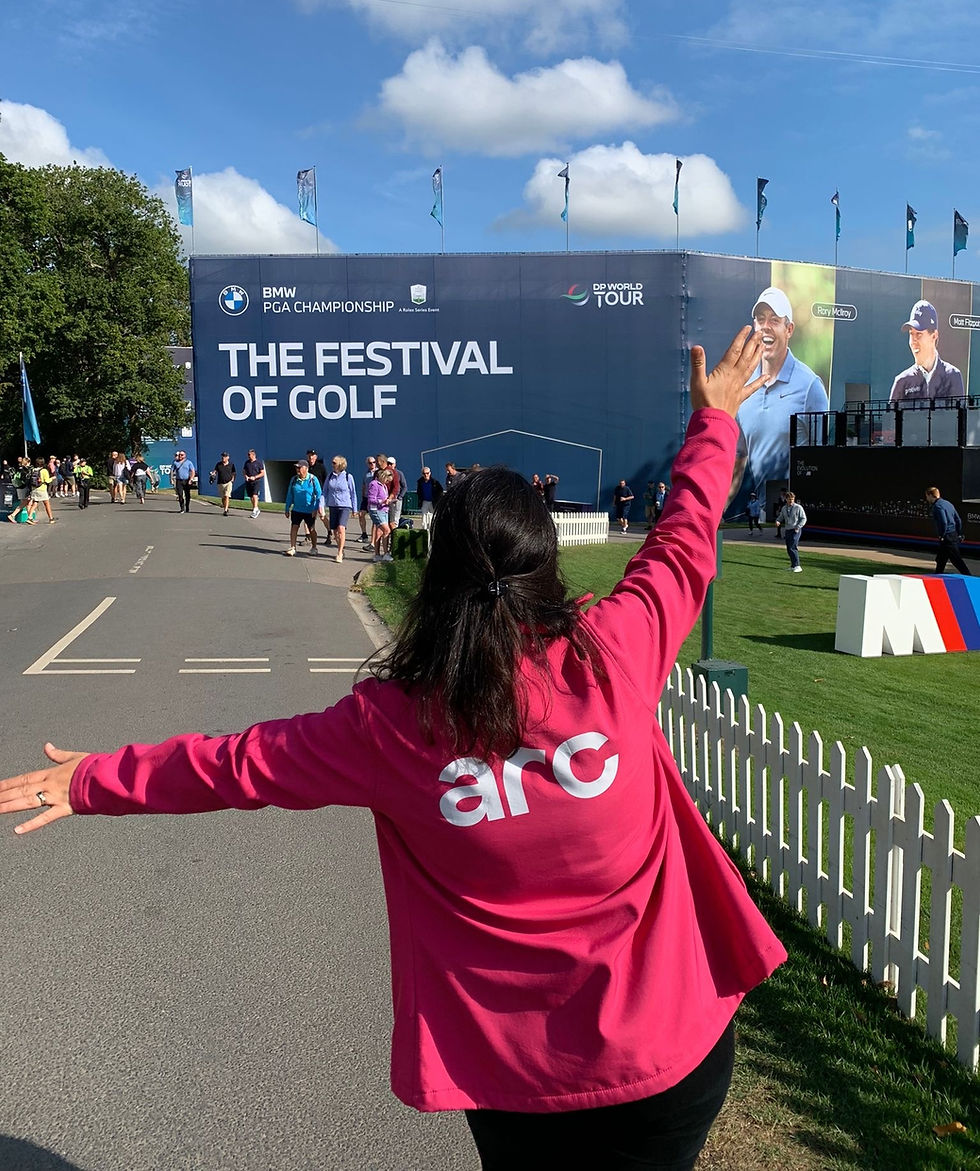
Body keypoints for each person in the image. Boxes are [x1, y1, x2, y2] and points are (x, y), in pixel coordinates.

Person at [0, 329, 784, 1171]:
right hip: (673, 1053)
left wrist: (92, 780)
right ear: (548, 566)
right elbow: (686, 533)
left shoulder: (390, 725)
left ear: (439, 574)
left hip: (514, 1077)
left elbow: (234, 765)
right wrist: (716, 418)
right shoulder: (617, 649)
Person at [732, 287, 829, 501]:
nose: (766, 327)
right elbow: (739, 457)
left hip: (796, 510)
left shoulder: (810, 386)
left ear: (789, 329)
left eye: (775, 320)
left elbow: (822, 459)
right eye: (760, 319)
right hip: (760, 512)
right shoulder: (744, 385)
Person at [889, 302, 965, 403]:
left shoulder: (953, 376)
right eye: (911, 334)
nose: (913, 341)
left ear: (934, 336)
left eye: (919, 334)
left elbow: (959, 417)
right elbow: (890, 418)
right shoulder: (901, 382)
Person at [925, 486, 972, 575]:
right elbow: (958, 520)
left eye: (927, 496)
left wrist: (942, 535)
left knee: (957, 560)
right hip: (953, 534)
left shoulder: (937, 507)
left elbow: (944, 522)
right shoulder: (948, 504)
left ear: (931, 495)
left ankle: (970, 578)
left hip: (947, 537)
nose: (927, 499)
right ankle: (937, 577)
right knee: (941, 560)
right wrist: (959, 533)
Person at [283, 460, 322, 557]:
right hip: (297, 509)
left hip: (309, 509)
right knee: (294, 527)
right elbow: (289, 494)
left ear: (306, 468)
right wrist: (287, 508)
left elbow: (319, 495)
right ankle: (293, 547)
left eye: (299, 467)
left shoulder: (313, 479)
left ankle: (314, 547)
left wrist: (316, 508)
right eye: (297, 467)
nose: (297, 469)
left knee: (311, 529)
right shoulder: (294, 480)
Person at [324, 456, 359, 563]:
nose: (332, 464)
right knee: (334, 530)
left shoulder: (348, 477)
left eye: (334, 462)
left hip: (345, 505)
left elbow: (353, 493)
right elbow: (324, 491)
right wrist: (322, 505)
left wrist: (355, 508)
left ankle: (339, 553)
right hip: (333, 505)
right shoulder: (330, 476)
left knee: (341, 528)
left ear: (340, 464)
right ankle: (341, 548)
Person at [775, 490, 807, 572]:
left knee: (793, 547)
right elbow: (781, 516)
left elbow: (803, 518)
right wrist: (778, 521)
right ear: (786, 499)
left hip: (795, 530)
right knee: (789, 548)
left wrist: (798, 526)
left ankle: (797, 566)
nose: (791, 501)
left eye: (792, 499)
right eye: (789, 499)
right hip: (788, 529)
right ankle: (793, 566)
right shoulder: (784, 508)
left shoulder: (798, 507)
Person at [366, 467, 393, 562]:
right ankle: (385, 553)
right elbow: (371, 499)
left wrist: (388, 501)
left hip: (384, 510)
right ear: (383, 477)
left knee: (380, 532)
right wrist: (382, 501)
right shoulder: (374, 484)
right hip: (376, 510)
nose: (387, 482)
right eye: (387, 480)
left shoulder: (384, 486)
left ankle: (377, 555)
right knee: (386, 530)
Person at [416, 465, 443, 530]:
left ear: (430, 473)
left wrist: (437, 499)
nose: (426, 475)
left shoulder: (434, 482)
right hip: (424, 501)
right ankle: (424, 532)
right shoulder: (420, 482)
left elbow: (440, 491)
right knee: (424, 518)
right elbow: (419, 491)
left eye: (427, 473)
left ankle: (432, 531)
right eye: (424, 473)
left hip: (433, 502)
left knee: (432, 517)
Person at [358, 455, 377, 545]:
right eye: (370, 463)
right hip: (366, 498)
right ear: (367, 464)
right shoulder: (366, 474)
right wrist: (362, 495)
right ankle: (364, 534)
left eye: (374, 462)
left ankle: (375, 538)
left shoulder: (378, 472)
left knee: (374, 518)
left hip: (374, 499)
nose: (372, 464)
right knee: (361, 514)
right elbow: (364, 485)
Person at [387, 455, 408, 533]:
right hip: (386, 500)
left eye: (391, 464)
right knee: (387, 520)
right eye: (388, 463)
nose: (389, 465)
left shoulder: (399, 473)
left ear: (394, 464)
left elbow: (404, 486)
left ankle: (394, 538)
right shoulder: (385, 473)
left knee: (395, 520)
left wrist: (399, 497)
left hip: (396, 500)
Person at [242, 449, 265, 518]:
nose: (248, 456)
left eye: (249, 455)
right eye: (248, 455)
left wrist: (255, 477)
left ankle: (254, 509)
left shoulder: (258, 463)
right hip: (249, 481)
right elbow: (244, 471)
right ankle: (256, 509)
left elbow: (262, 473)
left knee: (255, 495)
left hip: (256, 481)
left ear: (253, 455)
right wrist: (246, 476)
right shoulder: (247, 463)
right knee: (251, 496)